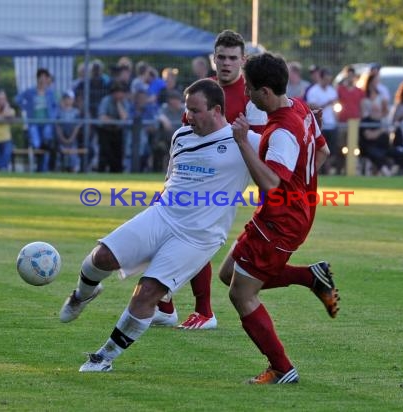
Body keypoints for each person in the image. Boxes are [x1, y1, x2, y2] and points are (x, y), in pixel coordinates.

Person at [58, 79, 262, 373]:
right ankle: (82, 295)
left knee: (147, 293)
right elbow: (171, 180)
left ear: (217, 110)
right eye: (187, 109)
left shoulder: (246, 140)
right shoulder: (181, 136)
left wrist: (309, 127)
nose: (188, 116)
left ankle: (104, 357)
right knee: (100, 257)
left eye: (195, 110)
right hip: (163, 214)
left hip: (198, 236)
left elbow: (285, 158)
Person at [217, 52, 337, 384]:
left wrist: (243, 143)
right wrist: (299, 189)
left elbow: (271, 184)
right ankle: (311, 277)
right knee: (229, 274)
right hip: (284, 215)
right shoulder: (301, 108)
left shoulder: (283, 131)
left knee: (241, 294)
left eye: (250, 89)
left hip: (280, 223)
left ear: (265, 92)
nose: (247, 95)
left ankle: (282, 368)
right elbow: (323, 152)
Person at [152, 29, 268, 330]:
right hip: (196, 175)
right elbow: (187, 137)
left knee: (190, 230)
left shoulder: (252, 95)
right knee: (163, 221)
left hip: (230, 176)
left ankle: (202, 311)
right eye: (221, 57)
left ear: (243, 60)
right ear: (212, 59)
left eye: (232, 58)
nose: (226, 63)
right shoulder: (203, 91)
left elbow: (261, 143)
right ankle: (165, 306)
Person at [15, 68, 58, 172]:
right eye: (41, 77)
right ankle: (39, 167)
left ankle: (44, 169)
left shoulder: (50, 93)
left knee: (47, 142)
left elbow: (56, 107)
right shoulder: (31, 91)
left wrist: (53, 117)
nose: (43, 80)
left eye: (45, 77)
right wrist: (26, 107)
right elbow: (18, 99)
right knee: (36, 143)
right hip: (34, 122)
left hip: (47, 123)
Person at [305, 68, 339, 174]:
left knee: (332, 150)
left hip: (332, 124)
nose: (327, 82)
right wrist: (327, 103)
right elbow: (312, 106)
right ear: (321, 78)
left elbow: (336, 106)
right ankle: (319, 170)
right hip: (319, 125)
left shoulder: (332, 90)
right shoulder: (313, 91)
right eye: (326, 79)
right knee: (319, 149)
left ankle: (327, 170)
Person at [96, 82, 130, 173]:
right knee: (105, 154)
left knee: (118, 155)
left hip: (118, 132)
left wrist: (118, 104)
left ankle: (116, 173)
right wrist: (115, 121)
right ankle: (101, 172)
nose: (119, 94)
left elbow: (124, 118)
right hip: (105, 131)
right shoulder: (106, 101)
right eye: (117, 92)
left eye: (121, 92)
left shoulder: (124, 102)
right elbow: (102, 117)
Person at [56, 90, 82, 173]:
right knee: (60, 154)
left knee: (73, 155)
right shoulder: (59, 112)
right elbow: (58, 126)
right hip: (61, 139)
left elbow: (77, 127)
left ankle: (73, 170)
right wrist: (63, 138)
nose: (68, 100)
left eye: (70, 98)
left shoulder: (76, 112)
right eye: (66, 98)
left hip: (72, 139)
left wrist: (71, 139)